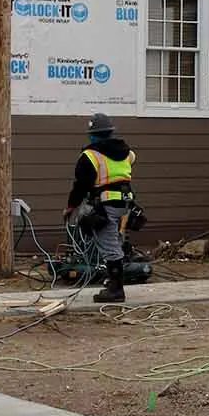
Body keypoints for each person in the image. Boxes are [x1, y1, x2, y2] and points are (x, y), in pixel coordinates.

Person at [63, 112, 136, 303]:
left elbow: (80, 186)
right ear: (110, 132)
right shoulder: (127, 153)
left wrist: (71, 207)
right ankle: (112, 282)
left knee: (109, 246)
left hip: (106, 205)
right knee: (116, 242)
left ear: (92, 135)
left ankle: (116, 291)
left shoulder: (89, 156)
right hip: (126, 204)